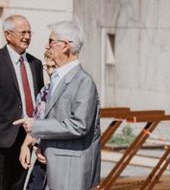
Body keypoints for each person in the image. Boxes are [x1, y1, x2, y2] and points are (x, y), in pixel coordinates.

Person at [13, 20, 101, 190]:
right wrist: (41, 146)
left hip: (70, 169)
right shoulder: (58, 78)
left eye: (52, 42)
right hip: (52, 164)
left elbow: (79, 125)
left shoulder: (84, 82)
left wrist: (36, 125)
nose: (47, 46)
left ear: (66, 46)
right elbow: (55, 120)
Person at [0, 15, 44, 190]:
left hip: (27, 136)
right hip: (2, 138)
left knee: (18, 185)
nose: (27, 36)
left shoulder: (35, 64)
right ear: (8, 35)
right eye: (22, 32)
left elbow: (40, 101)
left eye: (29, 32)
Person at [18, 50, 56, 190]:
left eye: (54, 67)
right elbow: (37, 122)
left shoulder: (75, 89)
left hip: (61, 158)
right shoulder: (44, 92)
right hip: (42, 157)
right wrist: (26, 146)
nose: (50, 71)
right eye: (48, 67)